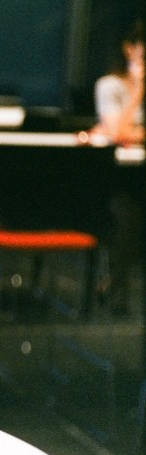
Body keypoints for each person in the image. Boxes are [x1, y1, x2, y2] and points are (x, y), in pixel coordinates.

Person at [91, 19, 144, 315]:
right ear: (129, 49)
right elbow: (119, 133)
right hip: (118, 177)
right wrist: (138, 90)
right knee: (127, 211)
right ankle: (116, 291)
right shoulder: (110, 86)